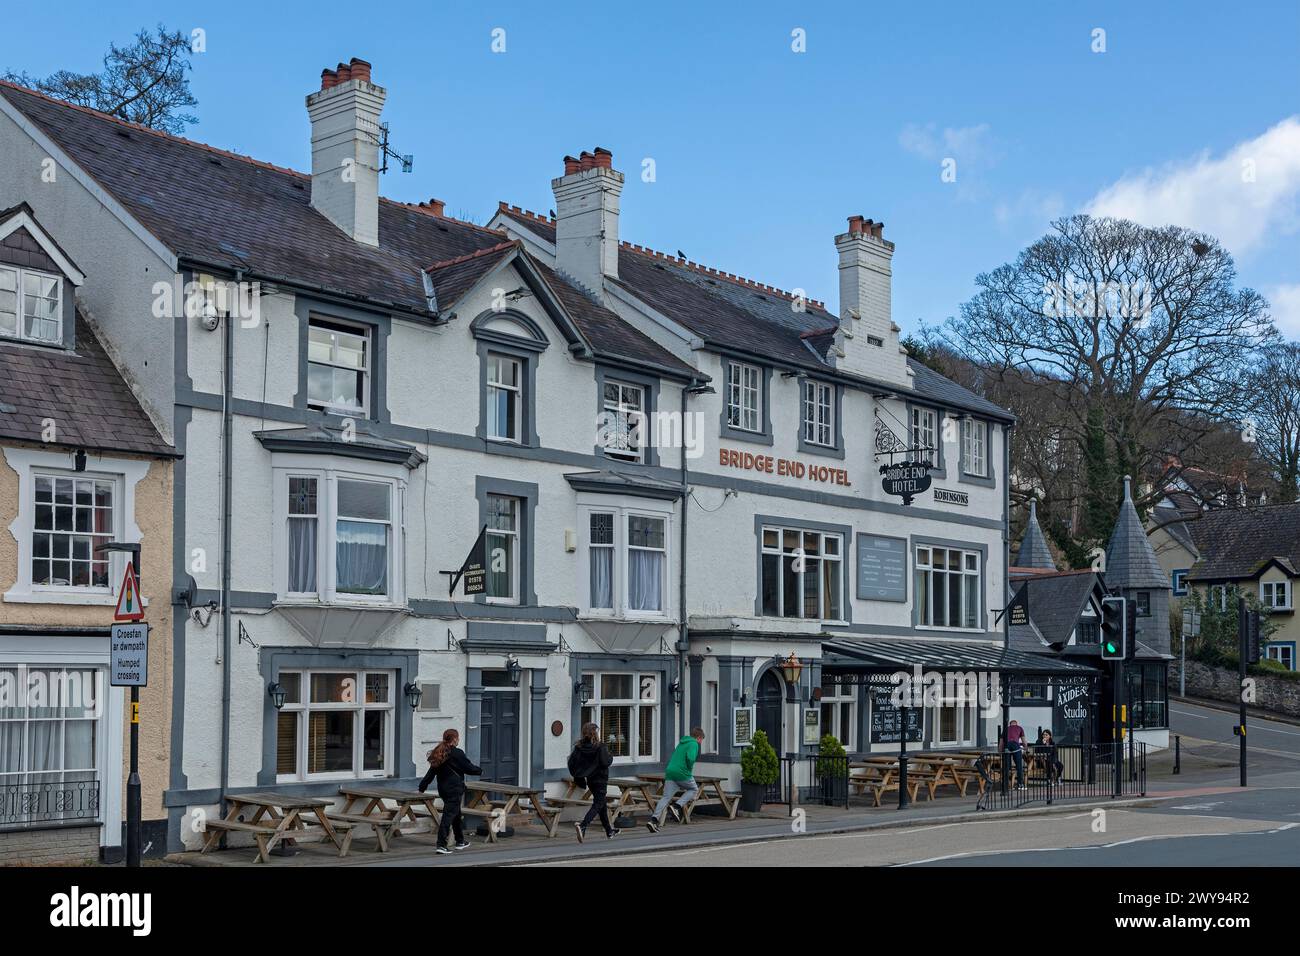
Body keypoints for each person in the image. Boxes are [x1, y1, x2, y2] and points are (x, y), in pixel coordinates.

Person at [418, 728, 482, 854]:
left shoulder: (440, 752)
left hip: (443, 789)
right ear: (454, 739)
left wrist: (422, 787)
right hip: (454, 789)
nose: (458, 740)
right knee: (448, 816)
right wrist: (479, 771)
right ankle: (441, 845)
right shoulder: (457, 753)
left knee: (455, 814)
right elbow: (468, 767)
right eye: (457, 738)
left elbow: (431, 772)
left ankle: (460, 841)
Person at [568, 722, 619, 842]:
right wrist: (611, 756)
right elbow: (606, 762)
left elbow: (572, 763)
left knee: (601, 804)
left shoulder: (579, 747)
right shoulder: (600, 747)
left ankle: (609, 830)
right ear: (595, 733)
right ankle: (583, 825)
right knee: (598, 804)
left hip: (590, 780)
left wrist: (579, 775)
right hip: (600, 779)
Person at [647, 727, 705, 832]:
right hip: (682, 772)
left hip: (670, 771)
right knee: (694, 790)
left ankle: (653, 820)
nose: (701, 743)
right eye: (701, 740)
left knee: (665, 797)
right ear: (699, 737)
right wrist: (689, 768)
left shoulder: (682, 742)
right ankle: (676, 806)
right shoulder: (693, 744)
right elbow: (690, 758)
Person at [1004, 719, 1027, 789]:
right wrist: (1025, 748)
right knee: (1019, 765)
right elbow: (1023, 740)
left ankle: (1006, 785)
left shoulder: (1006, 729)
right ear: (1016, 724)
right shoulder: (1019, 728)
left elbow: (1001, 741)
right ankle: (1020, 784)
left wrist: (1000, 752)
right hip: (1015, 744)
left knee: (1007, 766)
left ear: (1010, 724)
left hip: (1007, 745)